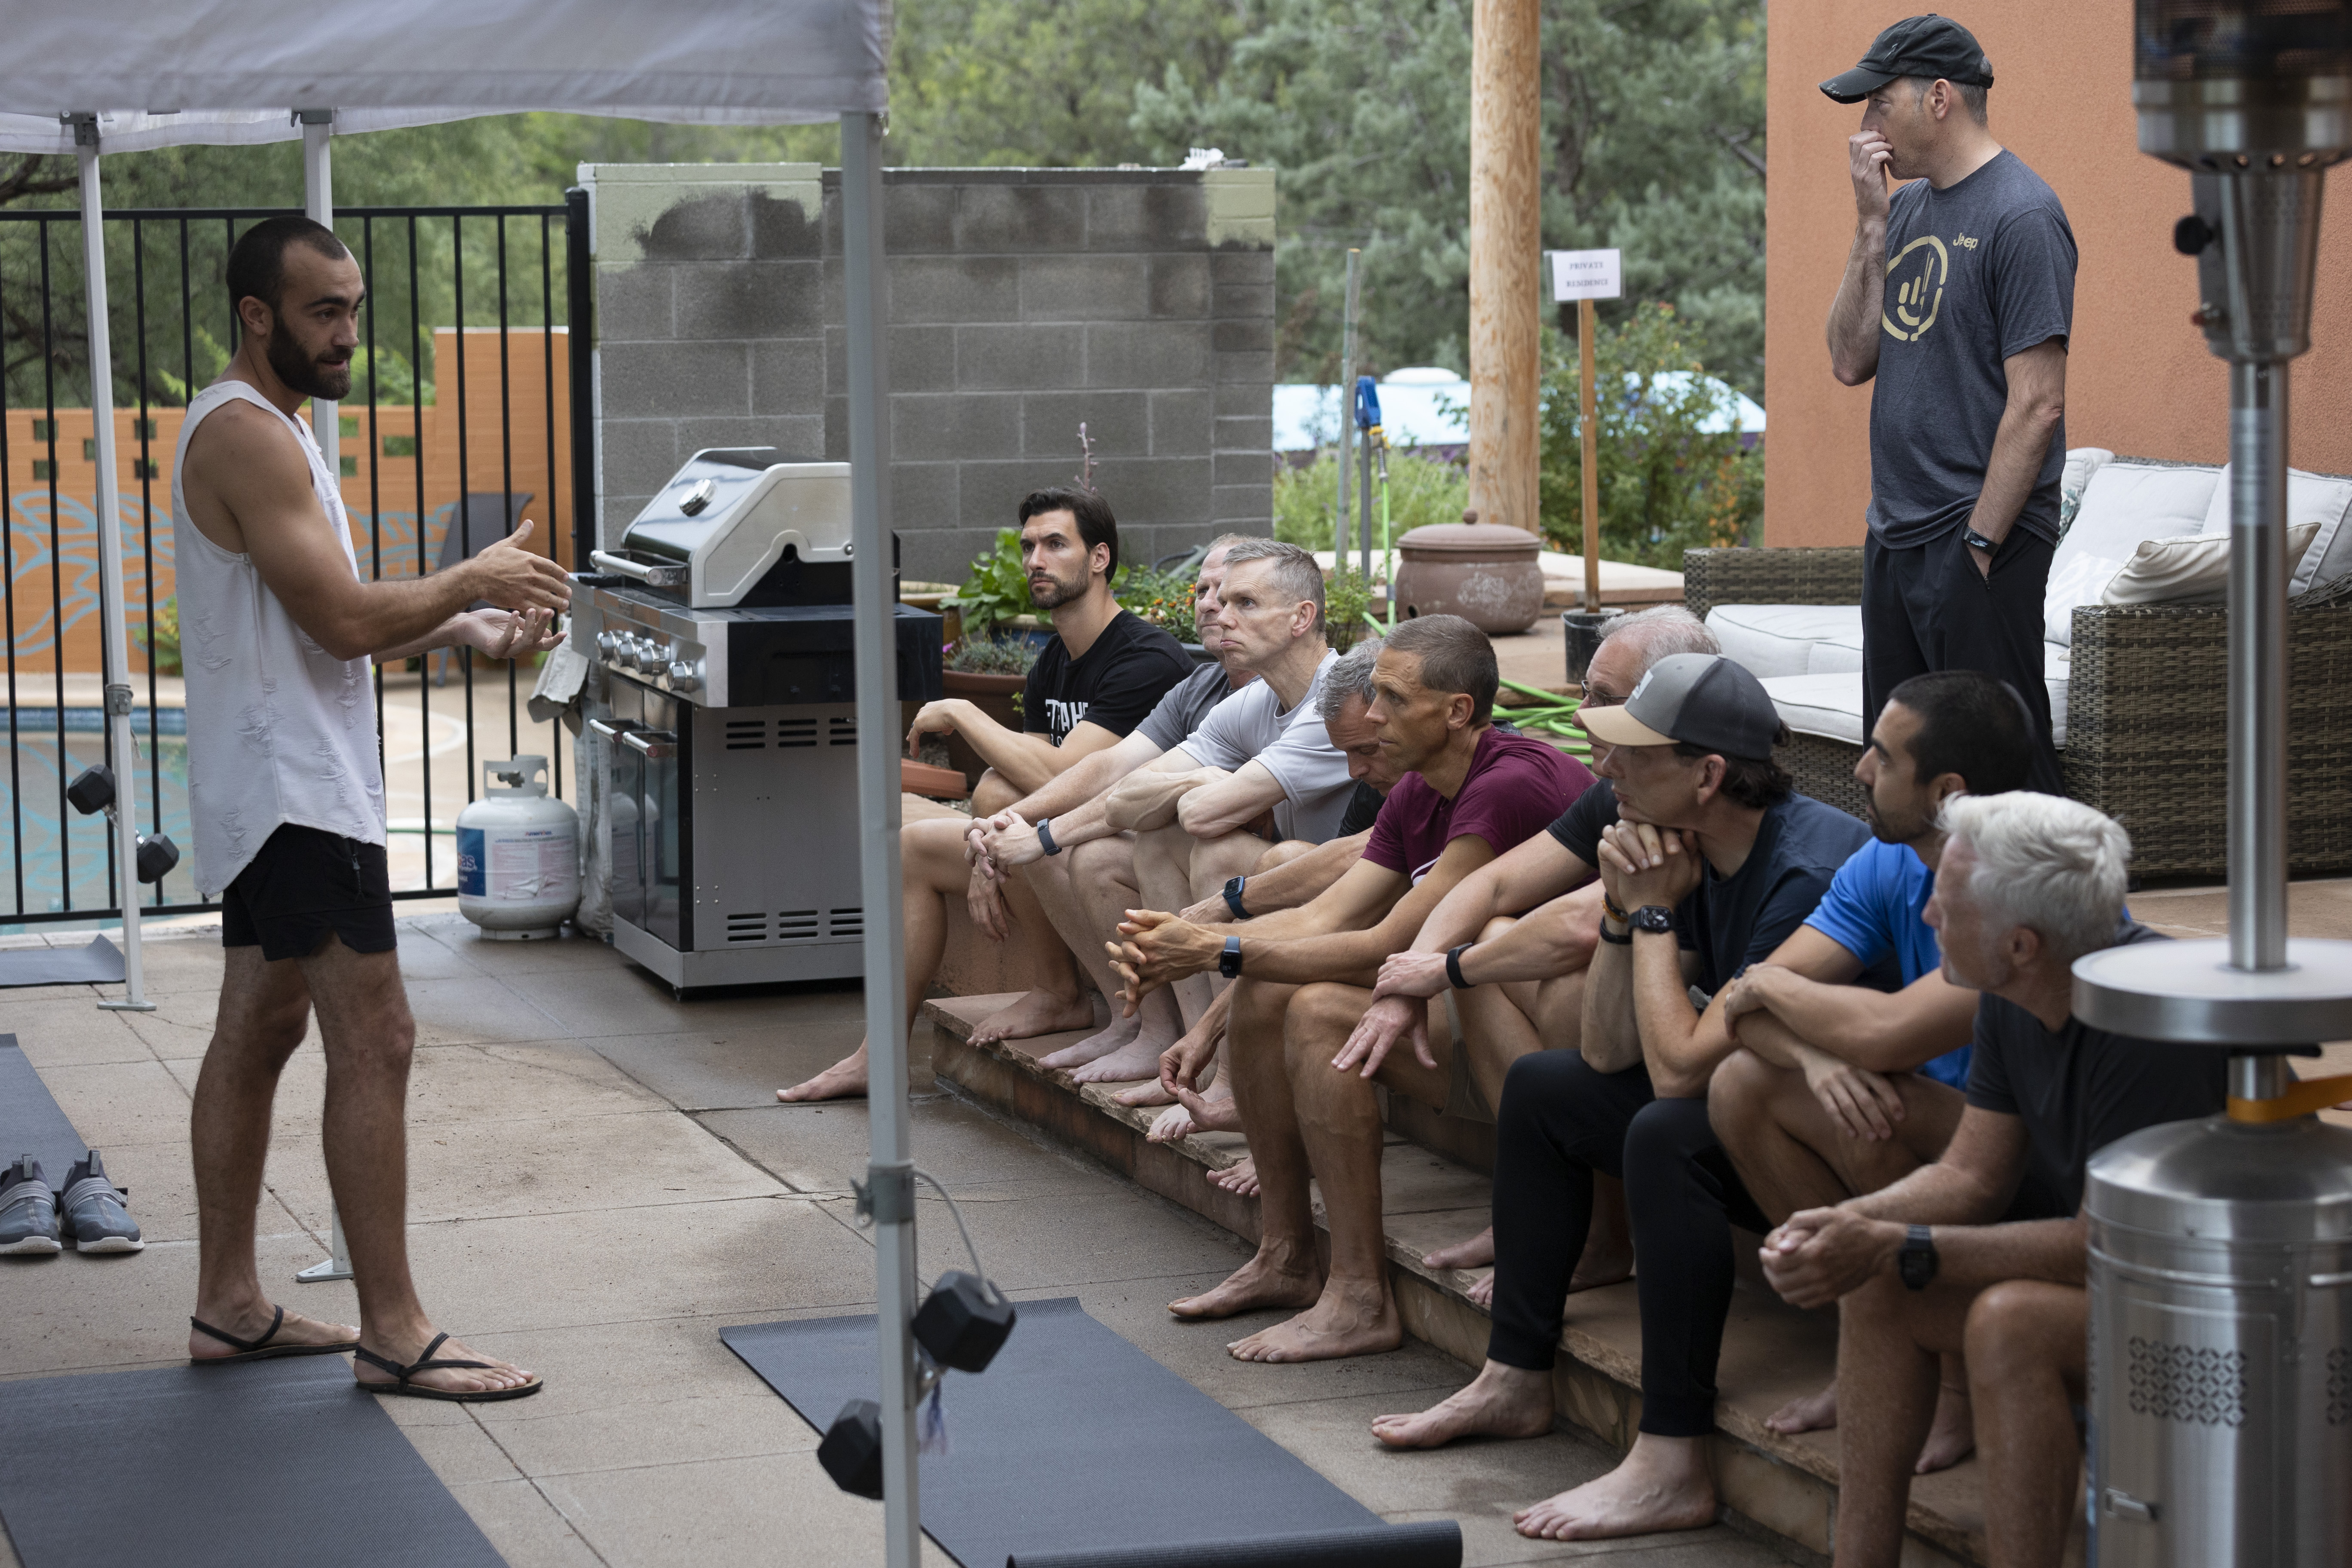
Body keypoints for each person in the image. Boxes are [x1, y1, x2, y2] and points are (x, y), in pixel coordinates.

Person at [178, 216, 567, 1400]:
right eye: (324, 312)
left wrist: (459, 625)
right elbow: (339, 622)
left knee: (258, 1031)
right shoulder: (248, 436)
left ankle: (230, 1305)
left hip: (277, 787)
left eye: (353, 306)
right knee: (378, 1037)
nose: (349, 332)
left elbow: (325, 613)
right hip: (299, 797)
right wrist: (474, 574)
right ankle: (393, 1330)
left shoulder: (274, 427)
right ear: (259, 316)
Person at [1368, 653, 1875, 1543]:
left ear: (1708, 775)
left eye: (1632, 756)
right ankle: (1515, 1375)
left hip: (1837, 1149)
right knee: (1547, 1086)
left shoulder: (1802, 871)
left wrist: (1646, 916)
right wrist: (1620, 911)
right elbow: (1605, 1050)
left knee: (1665, 1131)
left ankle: (1673, 1456)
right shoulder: (1681, 841)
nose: (1604, 771)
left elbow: (1679, 1075)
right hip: (1743, 1102)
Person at [1110, 616, 1595, 1363]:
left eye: (1392, 701)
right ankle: (1287, 1256)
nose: (1370, 717)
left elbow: (1380, 943)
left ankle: (1361, 1296)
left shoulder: (1508, 783)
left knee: (1311, 1012)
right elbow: (1322, 914)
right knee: (1273, 994)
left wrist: (1210, 945)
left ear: (1456, 712)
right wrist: (1208, 1019)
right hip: (1458, 1007)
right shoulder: (1418, 788)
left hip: (1532, 1037)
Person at [1759, 793, 2225, 1568]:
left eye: (1947, 898)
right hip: (2126, 1284)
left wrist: (1897, 1242)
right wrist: (1847, 1224)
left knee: (2009, 1320)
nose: (1930, 914)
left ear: (2019, 943)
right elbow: (1971, 1174)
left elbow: (2103, 1247)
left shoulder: (2149, 1027)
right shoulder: (2016, 992)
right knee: (1876, 1281)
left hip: (2211, 1319)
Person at [1709, 669, 2036, 1466]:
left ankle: (1949, 1388)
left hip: (2029, 1150)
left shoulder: (2019, 881)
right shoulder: (1886, 860)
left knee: (1872, 1103)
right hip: (1935, 1117)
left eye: (1881, 757)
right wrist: (1816, 1055)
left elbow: (1884, 1031)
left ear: (1945, 788)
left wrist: (1766, 984)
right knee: (1740, 1085)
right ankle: (1872, 1348)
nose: (1858, 769)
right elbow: (1737, 1016)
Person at [1345, 605, 1720, 1283]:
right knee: (1485, 948)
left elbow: (1578, 924)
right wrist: (1417, 973)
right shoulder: (1622, 787)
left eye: (1605, 699)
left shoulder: (1682, 790)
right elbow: (1487, 889)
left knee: (1545, 981)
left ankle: (1591, 1232)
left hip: (1705, 1043)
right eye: (1584, 692)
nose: (1579, 715)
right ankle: (1539, 1213)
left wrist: (1434, 972)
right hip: (1646, 1025)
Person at [778, 487, 1191, 1102]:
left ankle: (1100, 1006)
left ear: (1100, 558)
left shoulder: (1144, 658)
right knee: (915, 846)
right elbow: (1020, 779)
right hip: (1059, 840)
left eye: (1055, 544)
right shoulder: (1054, 659)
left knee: (1005, 800)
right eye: (1028, 546)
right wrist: (983, 844)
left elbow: (1063, 773)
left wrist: (964, 711)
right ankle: (883, 1053)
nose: (1035, 560)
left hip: (1134, 852)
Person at [1822, 14, 2073, 794]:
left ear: (1938, 98)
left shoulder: (2022, 214)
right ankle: (1919, 917)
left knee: (2002, 771)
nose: (1866, 127)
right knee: (1898, 774)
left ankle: (2066, 912)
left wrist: (1979, 544)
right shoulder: (1905, 211)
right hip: (1896, 533)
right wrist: (1870, 224)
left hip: (1974, 536)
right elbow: (1847, 358)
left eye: (1877, 102)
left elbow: (2036, 403)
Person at [1027, 539, 1353, 1060]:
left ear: (1301, 618)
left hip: (1360, 900)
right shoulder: (1258, 698)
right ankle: (1177, 1043)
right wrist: (1204, 783)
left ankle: (1232, 1066)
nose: (1221, 615)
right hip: (1292, 884)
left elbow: (1201, 813)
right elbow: (1125, 796)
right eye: (1218, 600)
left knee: (1219, 848)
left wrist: (1204, 786)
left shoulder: (1336, 698)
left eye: (1244, 603)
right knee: (1152, 841)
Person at [955, 534, 1254, 1061]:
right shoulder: (1207, 687)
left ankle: (1214, 1054)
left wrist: (960, 713)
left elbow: (1187, 803)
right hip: (1212, 865)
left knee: (1163, 842)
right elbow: (1113, 770)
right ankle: (1144, 1027)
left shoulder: (1296, 693)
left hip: (1294, 885)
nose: (1211, 604)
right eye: (1204, 589)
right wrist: (1011, 824)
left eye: (1233, 596)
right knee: (1050, 838)